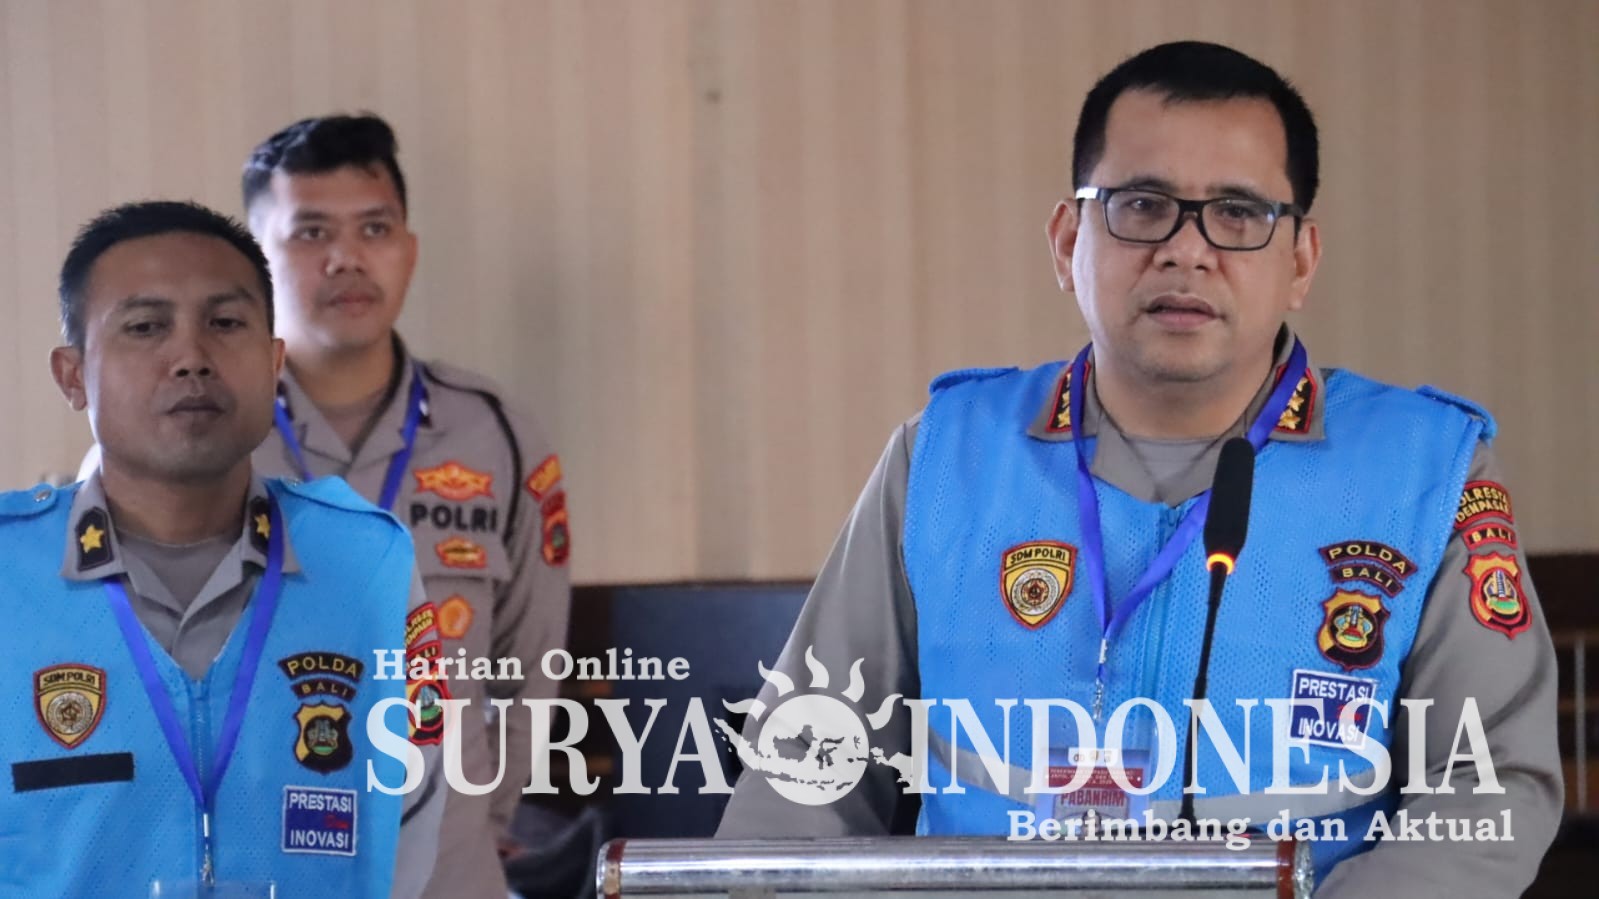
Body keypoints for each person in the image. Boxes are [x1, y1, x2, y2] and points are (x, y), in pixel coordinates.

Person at [716, 41, 1562, 896]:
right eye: (1142, 206)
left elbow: (1491, 788)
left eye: (1237, 213)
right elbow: (802, 771)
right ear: (1066, 241)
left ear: (1300, 260)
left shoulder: (1425, 470)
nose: (1185, 251)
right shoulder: (945, 456)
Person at [4, 201, 444, 896]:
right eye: (145, 327)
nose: (191, 359)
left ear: (273, 362)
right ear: (72, 375)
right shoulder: (9, 574)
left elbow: (408, 817)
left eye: (226, 323)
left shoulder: (367, 564)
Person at [242, 114, 571, 899]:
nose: (347, 257)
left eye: (374, 228)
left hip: (450, 870)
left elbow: (531, 667)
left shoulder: (495, 432)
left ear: (409, 249)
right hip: (266, 864)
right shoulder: (213, 436)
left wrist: (477, 815)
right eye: (311, 231)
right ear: (254, 258)